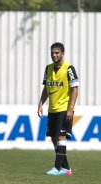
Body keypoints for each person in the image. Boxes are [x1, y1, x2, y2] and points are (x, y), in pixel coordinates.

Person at [37, 42, 79, 175]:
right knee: (54, 138)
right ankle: (67, 168)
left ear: (63, 53)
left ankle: (57, 168)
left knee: (61, 136)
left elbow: (75, 89)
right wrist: (40, 104)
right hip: (52, 109)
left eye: (57, 53)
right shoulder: (48, 68)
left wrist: (70, 109)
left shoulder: (69, 69)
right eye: (52, 53)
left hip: (64, 108)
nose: (54, 55)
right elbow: (46, 88)